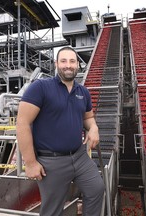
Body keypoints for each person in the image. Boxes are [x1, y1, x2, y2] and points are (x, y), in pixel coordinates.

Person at [16, 46, 105, 216]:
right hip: (51, 161)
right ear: (56, 64)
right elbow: (22, 123)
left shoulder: (83, 92)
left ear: (78, 65)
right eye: (63, 61)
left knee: (96, 189)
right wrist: (30, 163)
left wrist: (93, 128)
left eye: (72, 61)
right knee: (52, 209)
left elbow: (88, 118)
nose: (68, 65)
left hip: (79, 157)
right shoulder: (40, 87)